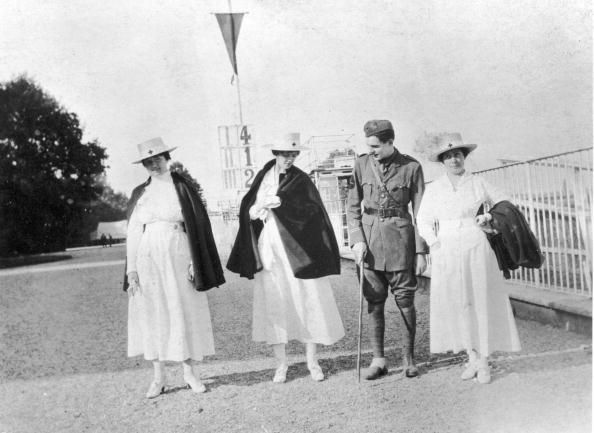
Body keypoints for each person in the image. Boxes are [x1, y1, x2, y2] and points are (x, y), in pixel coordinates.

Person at [227, 133, 345, 383]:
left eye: (293, 155)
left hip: (299, 249)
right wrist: (258, 208)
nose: (289, 159)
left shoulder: (301, 180)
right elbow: (249, 210)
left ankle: (312, 361)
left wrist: (286, 205)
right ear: (276, 155)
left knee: (307, 299)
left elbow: (314, 212)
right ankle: (281, 364)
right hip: (270, 246)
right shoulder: (263, 177)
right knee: (275, 303)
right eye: (285, 155)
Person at [124, 137, 225, 398]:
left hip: (178, 251)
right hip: (148, 256)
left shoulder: (182, 187)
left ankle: (190, 373)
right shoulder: (141, 193)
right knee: (153, 312)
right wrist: (131, 269)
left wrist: (195, 260)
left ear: (166, 158)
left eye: (157, 159)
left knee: (183, 309)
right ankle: (158, 378)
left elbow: (196, 225)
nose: (153, 165)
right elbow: (134, 230)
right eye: (148, 161)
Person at [417, 132, 521, 384]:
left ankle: (484, 360)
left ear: (464, 157)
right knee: (457, 301)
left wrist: (488, 218)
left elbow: (507, 203)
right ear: (442, 161)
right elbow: (423, 219)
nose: (454, 160)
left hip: (476, 245)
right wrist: (434, 243)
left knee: (479, 299)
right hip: (447, 248)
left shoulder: (478, 183)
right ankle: (471, 357)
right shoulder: (435, 189)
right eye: (448, 156)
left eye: (458, 155)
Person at [347, 119, 427, 380]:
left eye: (376, 146)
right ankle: (379, 359)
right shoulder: (361, 165)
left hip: (400, 244)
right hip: (369, 245)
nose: (372, 151)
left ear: (391, 142)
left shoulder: (412, 167)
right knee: (374, 301)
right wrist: (357, 239)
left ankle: (408, 359)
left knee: (405, 301)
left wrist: (420, 251)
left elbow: (421, 213)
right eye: (368, 146)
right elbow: (353, 207)